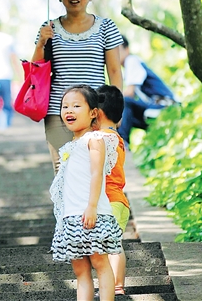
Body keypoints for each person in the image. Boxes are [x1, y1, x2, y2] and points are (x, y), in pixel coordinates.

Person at [33, 0, 123, 171]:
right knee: (63, 169)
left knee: (95, 169)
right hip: (59, 111)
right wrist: (40, 43)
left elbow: (114, 71)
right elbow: (36, 71)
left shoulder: (106, 27)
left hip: (96, 110)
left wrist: (116, 110)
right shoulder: (49, 28)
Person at [49, 85, 123, 301]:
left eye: (76, 106)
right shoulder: (69, 146)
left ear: (93, 113)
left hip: (92, 213)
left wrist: (92, 206)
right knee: (80, 270)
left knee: (100, 263)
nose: (69, 110)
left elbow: (96, 173)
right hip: (71, 216)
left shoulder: (95, 139)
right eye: (65, 106)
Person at [96, 84, 130, 296]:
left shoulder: (103, 138)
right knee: (112, 244)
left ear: (97, 113)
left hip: (110, 201)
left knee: (111, 245)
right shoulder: (114, 136)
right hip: (116, 200)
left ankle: (116, 286)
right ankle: (113, 285)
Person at [118, 36, 176, 145]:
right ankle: (122, 143)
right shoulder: (130, 66)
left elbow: (129, 93)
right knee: (123, 114)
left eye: (118, 50)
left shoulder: (131, 60)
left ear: (127, 49)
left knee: (122, 103)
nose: (115, 55)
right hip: (154, 106)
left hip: (164, 105)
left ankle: (122, 143)